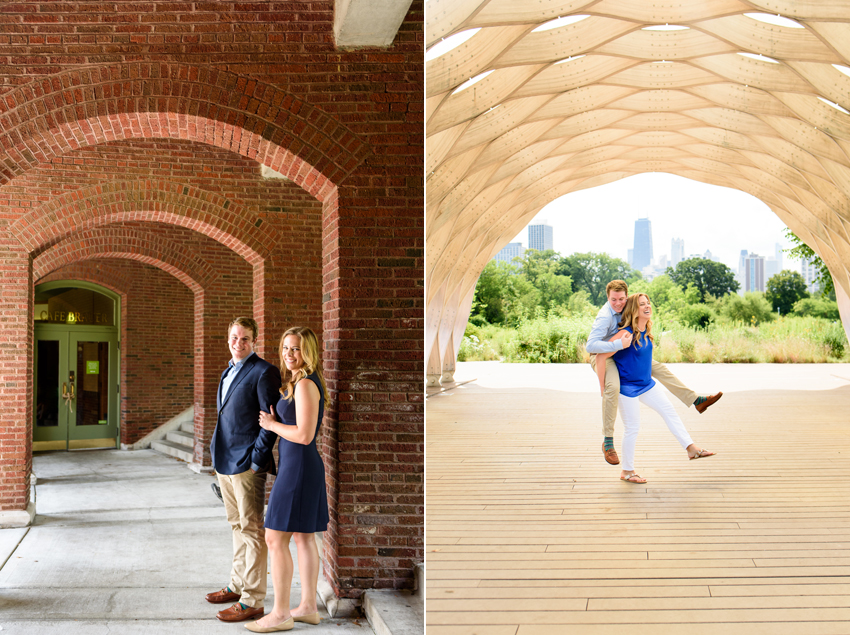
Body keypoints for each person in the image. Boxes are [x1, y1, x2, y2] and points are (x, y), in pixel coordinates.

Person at [247, 326, 329, 633]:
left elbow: (305, 435)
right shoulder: (298, 381)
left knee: (274, 537)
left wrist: (271, 424)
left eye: (295, 349)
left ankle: (281, 613)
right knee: (302, 536)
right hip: (298, 467)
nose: (288, 354)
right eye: (285, 348)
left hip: (299, 469)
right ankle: (308, 607)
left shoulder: (306, 384)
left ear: (307, 351)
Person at [587, 280, 721, 465]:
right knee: (613, 388)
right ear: (608, 298)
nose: (618, 303)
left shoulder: (634, 318)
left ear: (627, 298)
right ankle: (608, 441)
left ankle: (695, 401)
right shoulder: (605, 317)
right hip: (602, 353)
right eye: (613, 300)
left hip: (626, 358)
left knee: (660, 369)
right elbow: (592, 348)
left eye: (622, 299)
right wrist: (603, 383)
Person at [206, 317, 282, 623]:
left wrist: (256, 459)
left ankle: (252, 599)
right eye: (235, 338)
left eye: (246, 339)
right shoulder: (228, 371)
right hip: (224, 461)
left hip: (247, 465)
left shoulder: (264, 372)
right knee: (237, 526)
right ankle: (236, 586)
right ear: (228, 339)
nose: (239, 344)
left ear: (255, 341)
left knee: (252, 531)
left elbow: (270, 421)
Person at [607, 293, 716, 483]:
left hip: (647, 385)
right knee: (632, 428)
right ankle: (627, 471)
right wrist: (605, 383)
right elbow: (602, 352)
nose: (647, 306)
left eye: (648, 303)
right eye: (642, 304)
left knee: (669, 411)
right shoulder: (625, 333)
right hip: (627, 389)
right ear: (634, 310)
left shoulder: (646, 331)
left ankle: (691, 448)